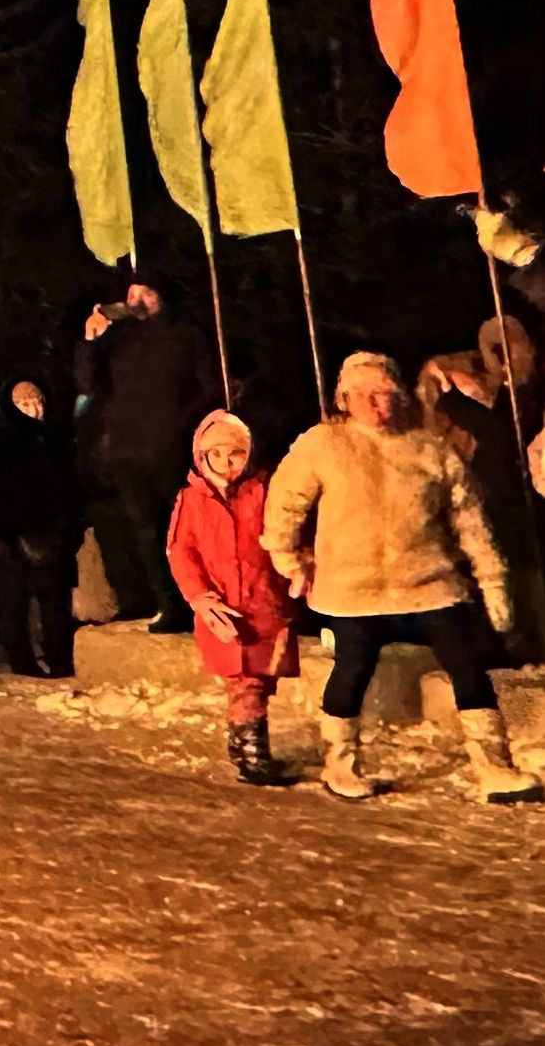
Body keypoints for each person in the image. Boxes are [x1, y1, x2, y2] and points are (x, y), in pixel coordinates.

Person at [262, 351, 536, 804]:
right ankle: (341, 764)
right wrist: (289, 560)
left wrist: (492, 580)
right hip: (353, 590)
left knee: (468, 669)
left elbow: (469, 519)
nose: (379, 405)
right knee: (351, 671)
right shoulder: (323, 445)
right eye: (367, 395)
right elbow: (284, 508)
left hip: (430, 584)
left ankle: (494, 768)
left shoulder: (429, 448)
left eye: (388, 394)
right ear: (345, 398)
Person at [77, 273, 222, 633]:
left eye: (145, 291)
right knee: (145, 531)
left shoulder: (185, 335)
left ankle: (203, 599)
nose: (136, 298)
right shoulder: (117, 340)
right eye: (131, 292)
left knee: (184, 529)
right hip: (127, 450)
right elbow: (87, 383)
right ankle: (168, 604)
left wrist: (179, 422)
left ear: (161, 295)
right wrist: (91, 339)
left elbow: (210, 386)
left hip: (171, 448)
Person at [164, 410, 298, 787]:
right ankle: (254, 754)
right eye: (216, 455)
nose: (226, 463)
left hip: (263, 604)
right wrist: (198, 595)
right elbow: (181, 550)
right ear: (201, 456)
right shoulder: (192, 498)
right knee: (245, 681)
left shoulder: (264, 489)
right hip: (221, 608)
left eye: (235, 454)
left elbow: (284, 533)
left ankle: (241, 741)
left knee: (260, 679)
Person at [418, 351, 542, 664]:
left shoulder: (517, 401)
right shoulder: (459, 409)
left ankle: (523, 642)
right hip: (484, 498)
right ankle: (502, 645)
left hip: (514, 500)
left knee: (524, 574)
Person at [0, 381, 85, 679]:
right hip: (8, 536)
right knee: (13, 602)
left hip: (47, 534)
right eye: (25, 404)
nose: (35, 409)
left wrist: (67, 525)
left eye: (38, 402)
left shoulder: (53, 440)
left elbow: (66, 486)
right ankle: (22, 659)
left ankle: (59, 657)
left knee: (54, 601)